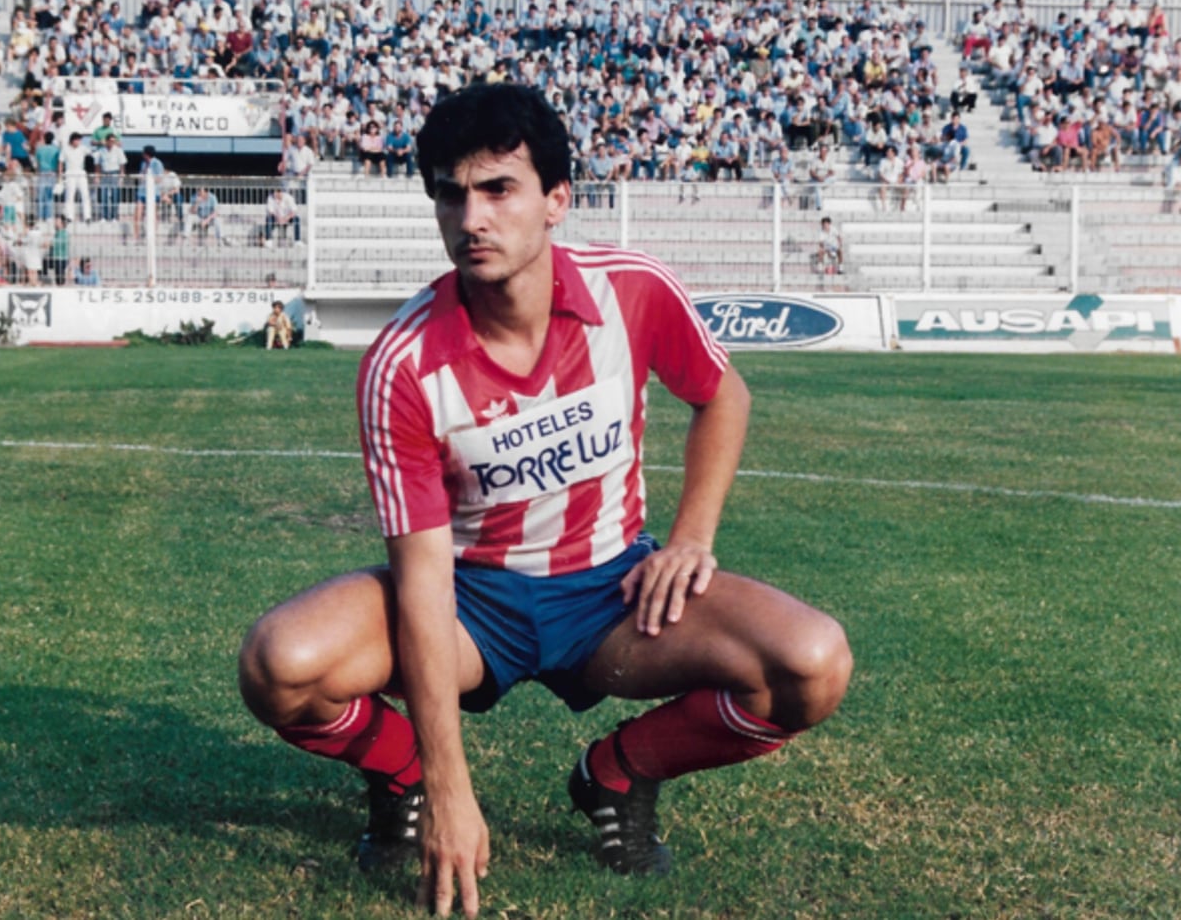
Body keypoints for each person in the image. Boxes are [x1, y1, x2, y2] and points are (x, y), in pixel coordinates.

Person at [237, 83, 851, 920]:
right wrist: (447, 788)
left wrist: (691, 538)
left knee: (811, 665)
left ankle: (618, 773)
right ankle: (399, 771)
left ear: (557, 200)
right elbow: (421, 578)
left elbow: (722, 395)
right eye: (450, 194)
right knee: (280, 666)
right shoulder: (403, 363)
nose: (471, 218)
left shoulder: (630, 290)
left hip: (610, 595)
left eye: (498, 189)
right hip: (468, 606)